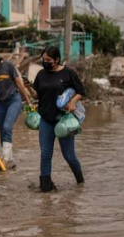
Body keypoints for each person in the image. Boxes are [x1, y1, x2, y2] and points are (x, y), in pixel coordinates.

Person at [30, 46, 86, 192]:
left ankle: (80, 182)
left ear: (57, 60)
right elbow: (36, 96)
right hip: (46, 119)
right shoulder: (41, 74)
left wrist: (73, 102)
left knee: (69, 156)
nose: (45, 62)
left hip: (64, 121)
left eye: (48, 60)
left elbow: (81, 91)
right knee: (45, 154)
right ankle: (45, 188)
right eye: (43, 60)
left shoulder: (68, 73)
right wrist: (28, 87)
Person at [0, 52, 34, 170]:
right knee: (2, 132)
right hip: (0, 103)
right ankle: (10, 160)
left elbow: (19, 84)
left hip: (14, 100)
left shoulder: (8, 66)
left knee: (7, 127)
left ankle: (5, 159)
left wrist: (28, 102)